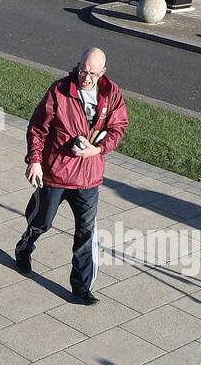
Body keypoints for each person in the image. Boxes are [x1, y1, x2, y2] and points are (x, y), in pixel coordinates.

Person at [15, 47, 128, 304]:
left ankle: (81, 287)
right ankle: (25, 245)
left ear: (103, 73)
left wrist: (97, 149)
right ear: (77, 66)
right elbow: (37, 128)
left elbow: (118, 127)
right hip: (56, 174)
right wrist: (34, 161)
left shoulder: (112, 94)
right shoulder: (60, 90)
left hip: (89, 178)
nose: (86, 78)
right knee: (42, 221)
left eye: (92, 74)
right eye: (83, 71)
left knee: (86, 233)